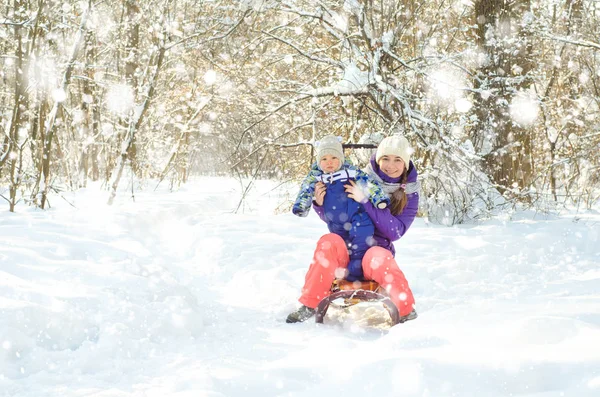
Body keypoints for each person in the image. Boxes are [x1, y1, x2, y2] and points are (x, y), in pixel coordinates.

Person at [286, 134, 419, 324]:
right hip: (344, 252)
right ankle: (309, 303)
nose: (391, 165)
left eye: (398, 159)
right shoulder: (356, 176)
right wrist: (319, 204)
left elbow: (395, 232)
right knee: (328, 242)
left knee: (380, 256)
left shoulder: (410, 192)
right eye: (386, 159)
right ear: (378, 159)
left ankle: (405, 310)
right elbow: (339, 216)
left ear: (406, 163)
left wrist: (365, 201)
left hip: (372, 255)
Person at [292, 135, 389, 283]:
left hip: (358, 217)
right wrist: (301, 206)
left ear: (341, 159)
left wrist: (378, 198)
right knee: (341, 248)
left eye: (333, 157)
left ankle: (355, 273)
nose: (329, 162)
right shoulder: (316, 177)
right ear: (318, 162)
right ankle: (337, 275)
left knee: (360, 244)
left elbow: (369, 183)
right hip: (336, 223)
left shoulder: (350, 171)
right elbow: (305, 190)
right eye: (324, 159)